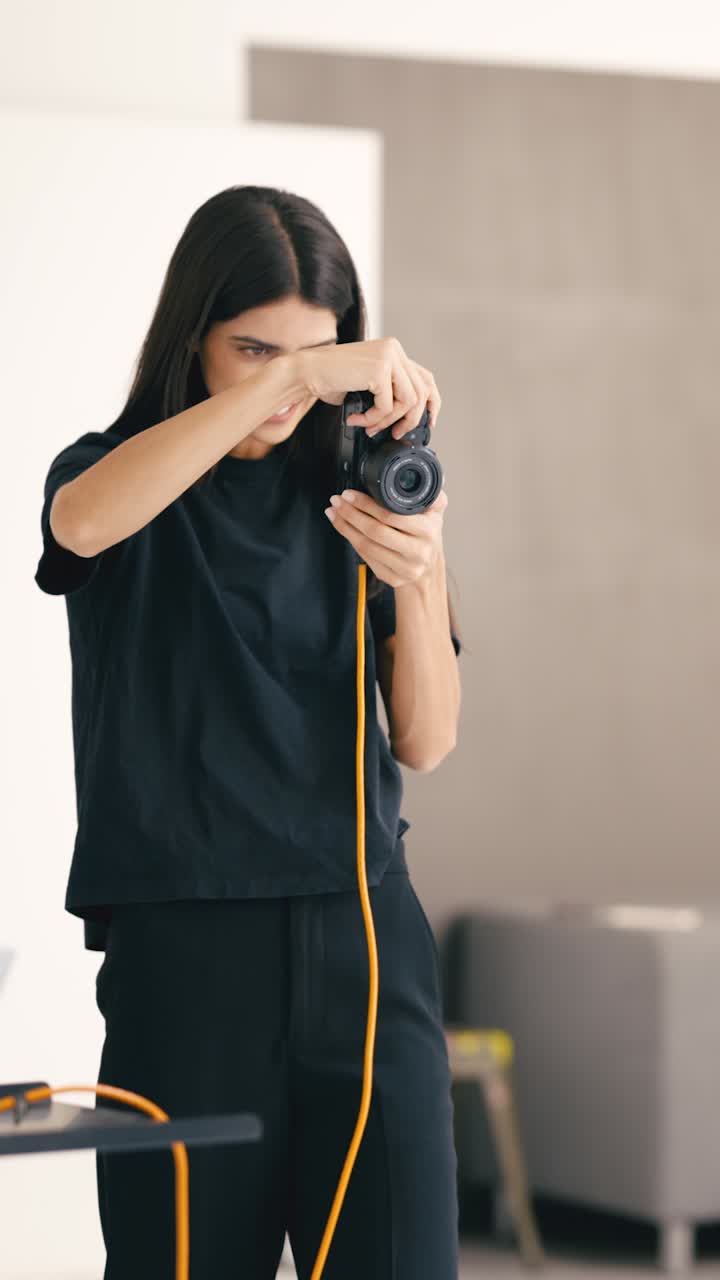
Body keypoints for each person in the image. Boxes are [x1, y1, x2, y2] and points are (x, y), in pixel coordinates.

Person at [34, 185, 462, 1279]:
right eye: (255, 350)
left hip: (363, 942)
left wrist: (420, 570)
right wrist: (297, 379)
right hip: (187, 962)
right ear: (197, 338)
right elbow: (77, 525)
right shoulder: (115, 471)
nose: (286, 386)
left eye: (315, 352)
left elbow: (426, 739)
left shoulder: (360, 489)